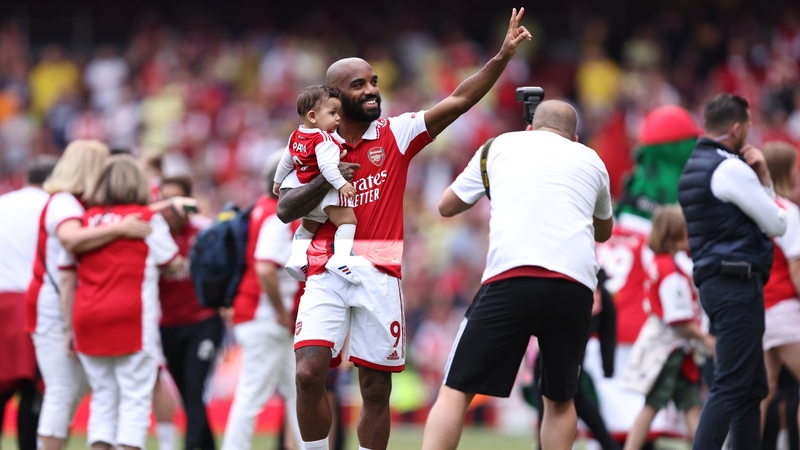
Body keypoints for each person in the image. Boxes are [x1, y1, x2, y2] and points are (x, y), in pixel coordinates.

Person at [275, 8, 531, 450]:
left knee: (375, 390)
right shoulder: (315, 143)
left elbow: (458, 100)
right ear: (334, 97)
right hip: (324, 268)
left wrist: (502, 58)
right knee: (307, 373)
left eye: (374, 81)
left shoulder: (397, 133)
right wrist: (328, 177)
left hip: (379, 270)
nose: (373, 91)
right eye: (360, 85)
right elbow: (283, 207)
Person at [420, 100, 613, 450]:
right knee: (560, 399)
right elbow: (603, 232)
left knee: (455, 390)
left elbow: (446, 205)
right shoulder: (592, 159)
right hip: (575, 287)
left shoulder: (499, 145)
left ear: (529, 128)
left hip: (512, 277)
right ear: (575, 136)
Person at [24, 140, 151, 450]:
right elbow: (71, 239)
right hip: (55, 308)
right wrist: (121, 228)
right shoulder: (64, 202)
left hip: (74, 307)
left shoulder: (77, 203)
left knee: (88, 390)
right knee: (63, 391)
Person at [677, 93, 788, 449]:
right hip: (736, 281)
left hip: (717, 282)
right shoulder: (730, 167)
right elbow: (777, 223)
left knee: (751, 386)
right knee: (731, 384)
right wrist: (765, 178)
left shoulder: (695, 165)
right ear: (738, 128)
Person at [65, 154, 181, 450]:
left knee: (103, 400)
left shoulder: (87, 219)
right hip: (131, 316)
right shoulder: (146, 218)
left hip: (88, 314)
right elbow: (173, 261)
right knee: (134, 401)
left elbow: (68, 264)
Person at [222, 153, 303, 450]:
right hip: (266, 317)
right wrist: (282, 313)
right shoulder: (278, 214)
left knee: (298, 393)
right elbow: (265, 268)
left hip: (261, 316)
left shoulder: (259, 208)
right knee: (253, 395)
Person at [621, 206, 715, 450]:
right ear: (675, 236)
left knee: (692, 405)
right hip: (670, 350)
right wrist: (704, 339)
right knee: (653, 405)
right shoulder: (670, 271)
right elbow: (678, 319)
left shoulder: (657, 263)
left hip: (677, 351)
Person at [157, 175, 223, 450]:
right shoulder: (153, 233)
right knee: (188, 395)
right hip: (168, 326)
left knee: (195, 389)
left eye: (176, 200)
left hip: (204, 322)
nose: (171, 208)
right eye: (165, 201)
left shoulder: (206, 231)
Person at [273, 85, 358, 283]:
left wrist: (277, 182)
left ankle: (296, 259)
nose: (338, 118)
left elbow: (286, 160)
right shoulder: (323, 139)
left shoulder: (296, 135)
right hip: (323, 192)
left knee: (308, 226)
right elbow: (328, 168)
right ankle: (341, 259)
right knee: (347, 221)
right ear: (312, 116)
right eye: (332, 113)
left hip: (303, 189)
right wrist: (342, 185)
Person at [0, 155, 57, 450]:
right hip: (32, 303)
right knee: (33, 389)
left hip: (1, 300)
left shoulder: (3, 203)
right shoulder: (52, 208)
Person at [759, 141, 800, 430]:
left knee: (763, 392)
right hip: (785, 309)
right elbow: (797, 270)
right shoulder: (787, 211)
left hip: (759, 310)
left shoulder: (756, 207)